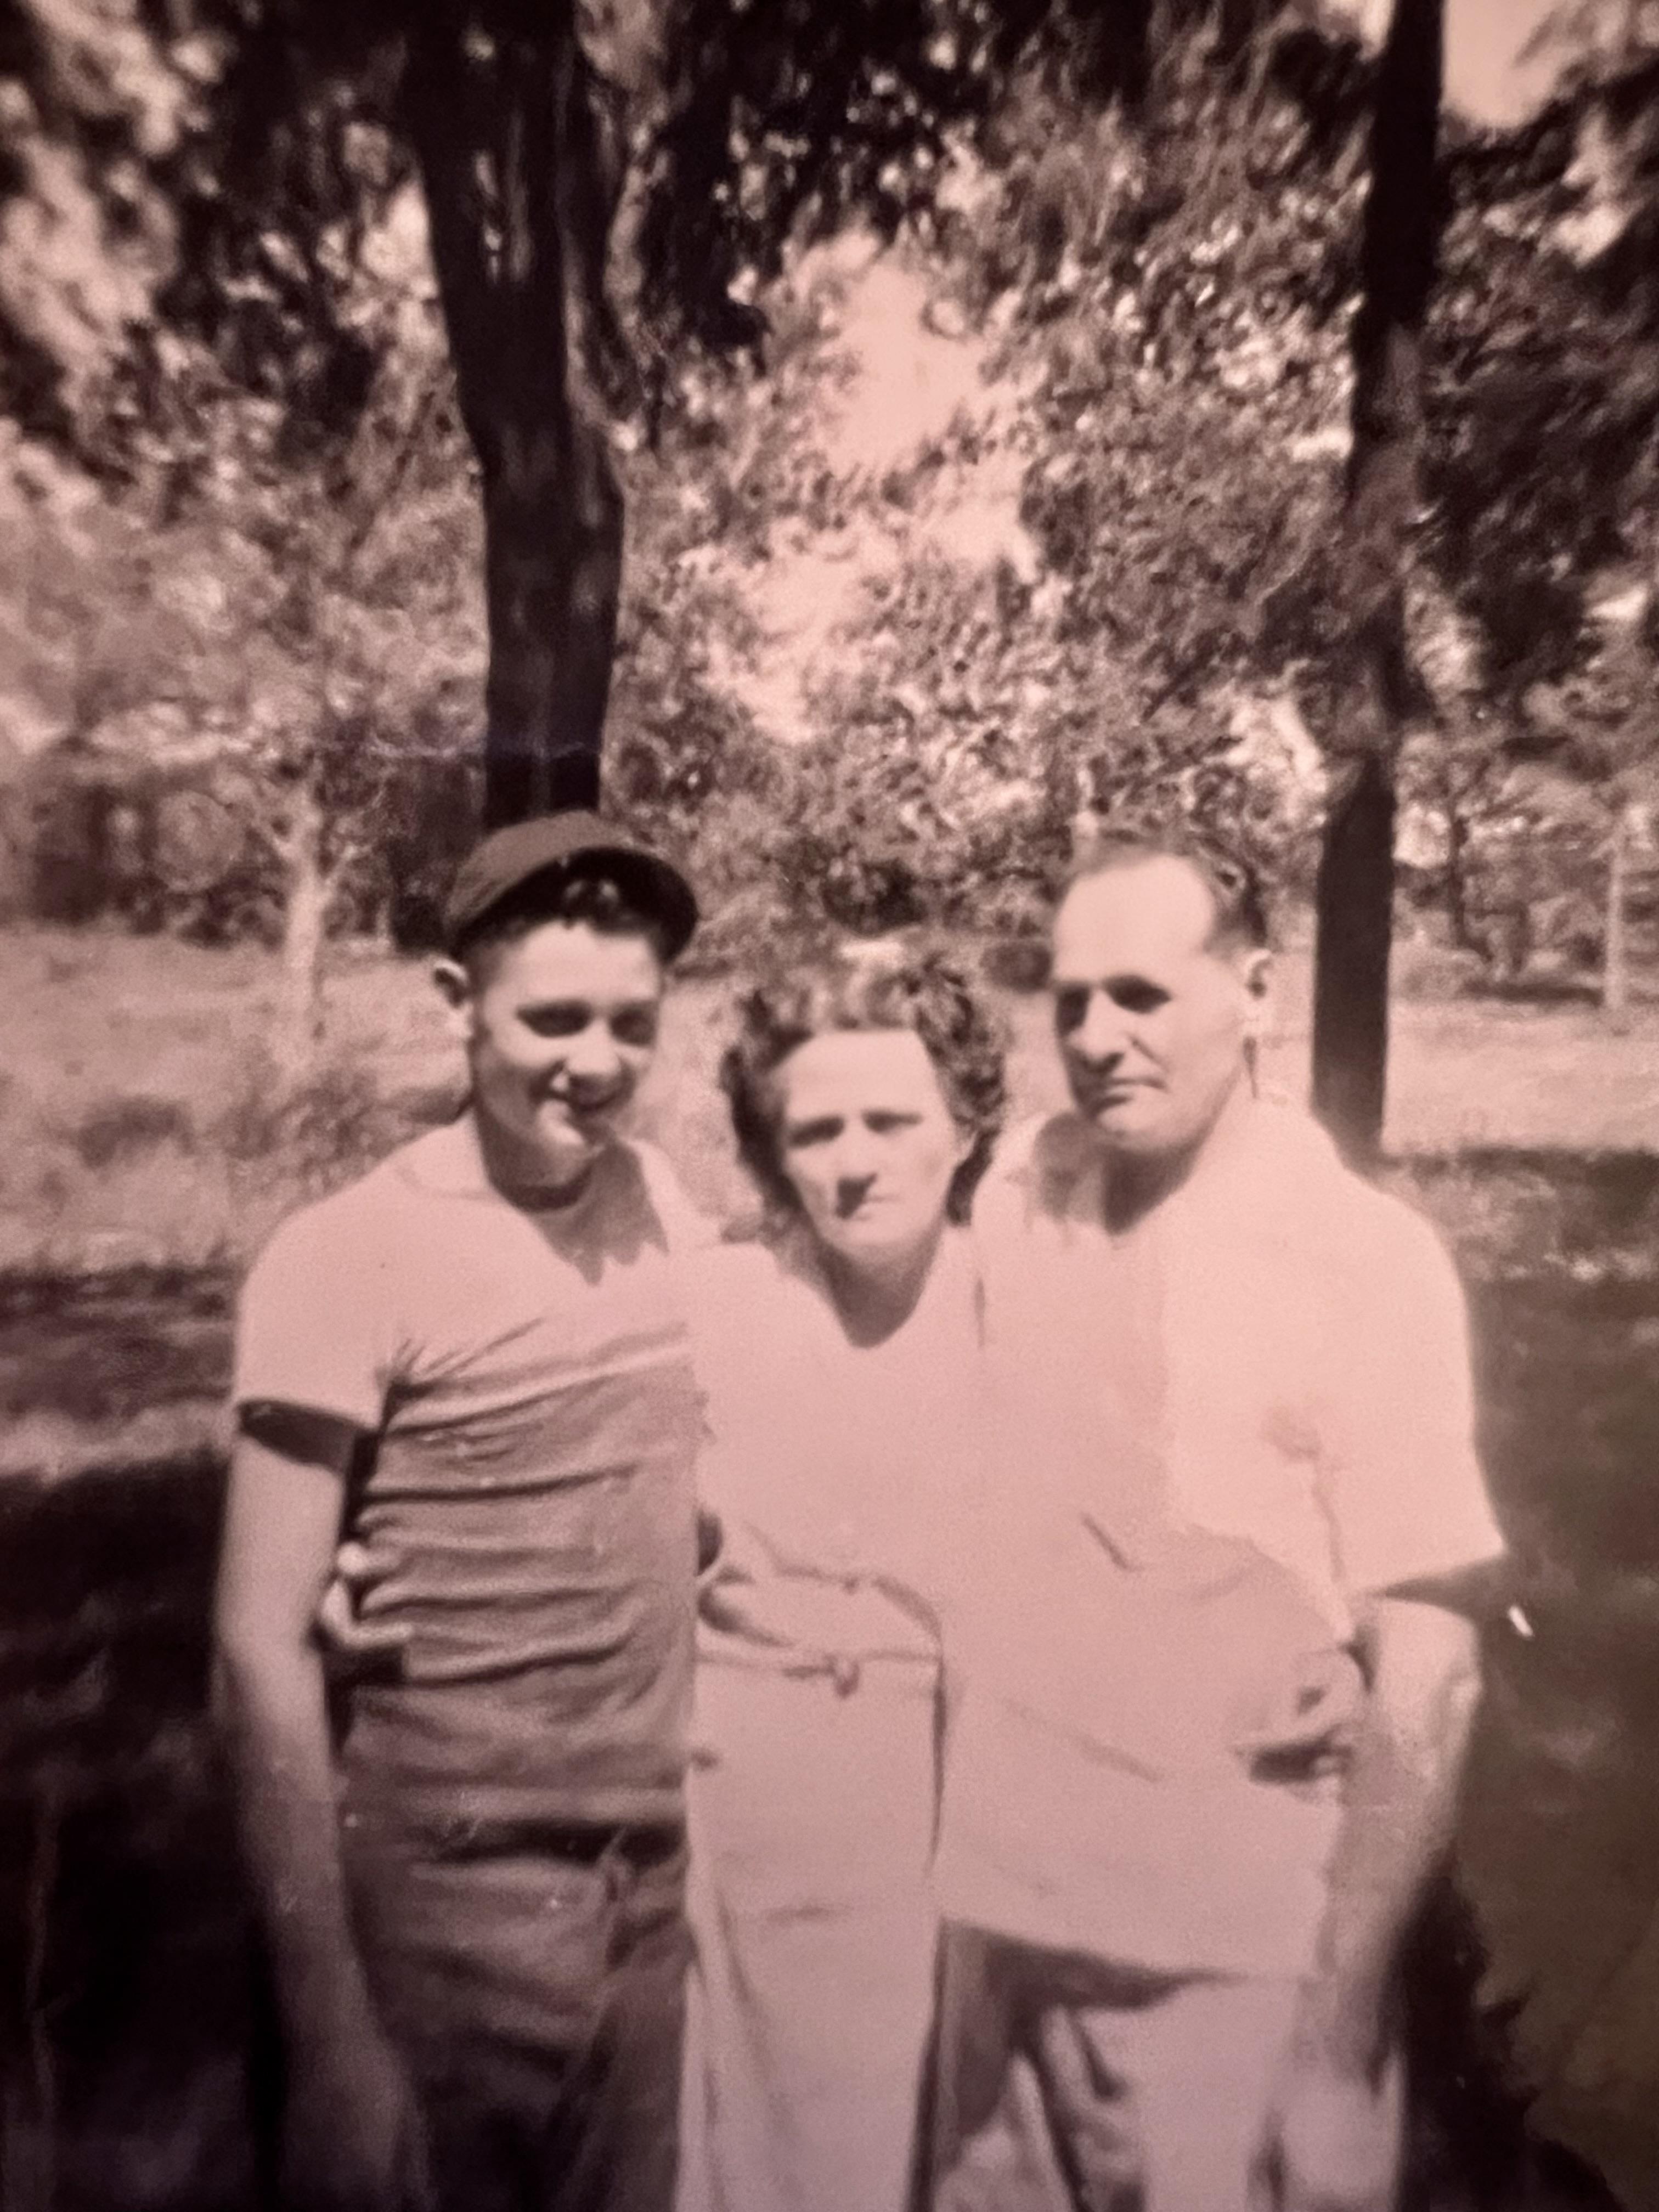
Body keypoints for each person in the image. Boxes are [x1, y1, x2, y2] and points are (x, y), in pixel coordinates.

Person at [925, 825, 1507, 2212]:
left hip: (1223, 1972)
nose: (1099, 1035)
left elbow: (1435, 1674)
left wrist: (1333, 2050)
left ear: (1256, 993)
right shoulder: (1019, 1188)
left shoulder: (1357, 1257)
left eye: (1143, 994)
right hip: (998, 1943)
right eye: (1070, 1000)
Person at [213, 812, 708, 2212]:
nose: (596, 1064)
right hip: (442, 1908)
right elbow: (254, 1651)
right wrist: (328, 2043)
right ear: (456, 1007)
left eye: (633, 1023)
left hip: (652, 1898)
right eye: (553, 1018)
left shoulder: (663, 1205)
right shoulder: (346, 1253)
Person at [673, 946, 1007, 2212]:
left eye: (893, 1119)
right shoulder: (713, 1305)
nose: (854, 1159)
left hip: (951, 1809)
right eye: (814, 1128)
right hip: (752, 1807)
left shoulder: (1031, 1314)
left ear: (966, 1129)